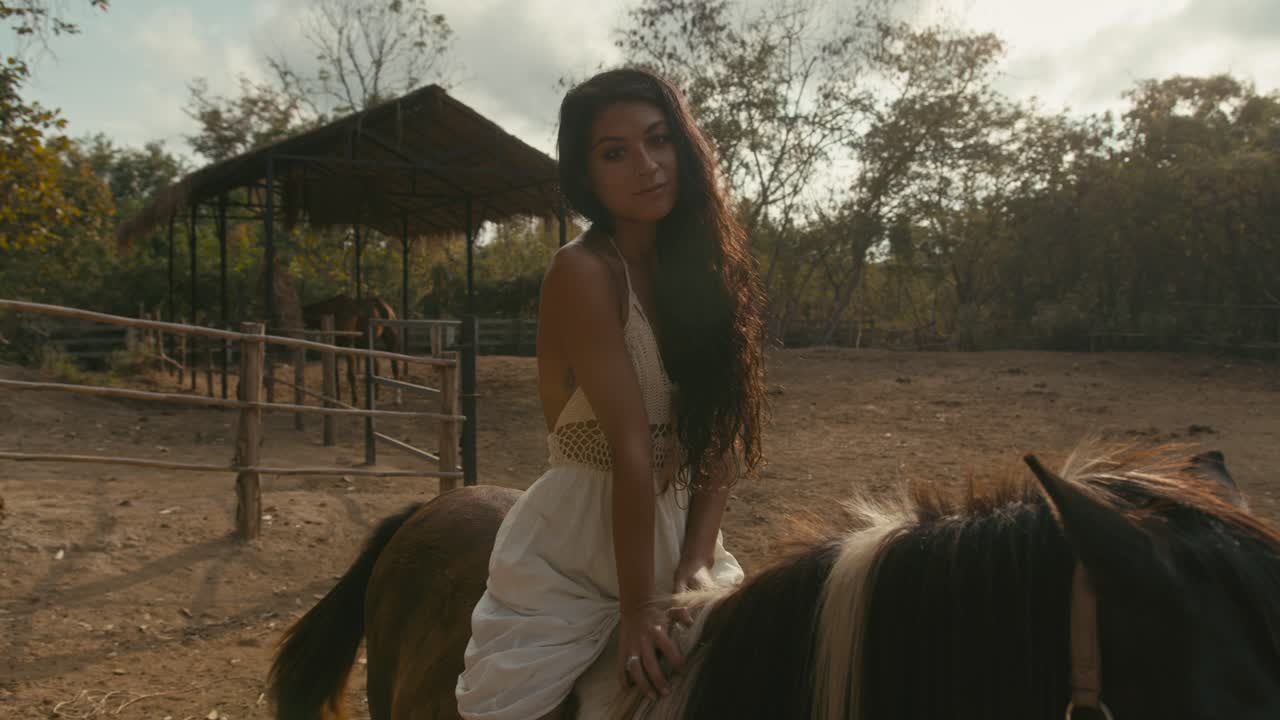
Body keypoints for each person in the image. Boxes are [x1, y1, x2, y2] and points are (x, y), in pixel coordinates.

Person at [455, 67, 768, 720]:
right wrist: (640, 611)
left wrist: (700, 556)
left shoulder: (707, 267)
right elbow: (631, 451)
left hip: (677, 527)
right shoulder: (583, 271)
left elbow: (719, 434)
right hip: (582, 540)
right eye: (615, 152)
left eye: (659, 140)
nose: (648, 166)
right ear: (586, 175)